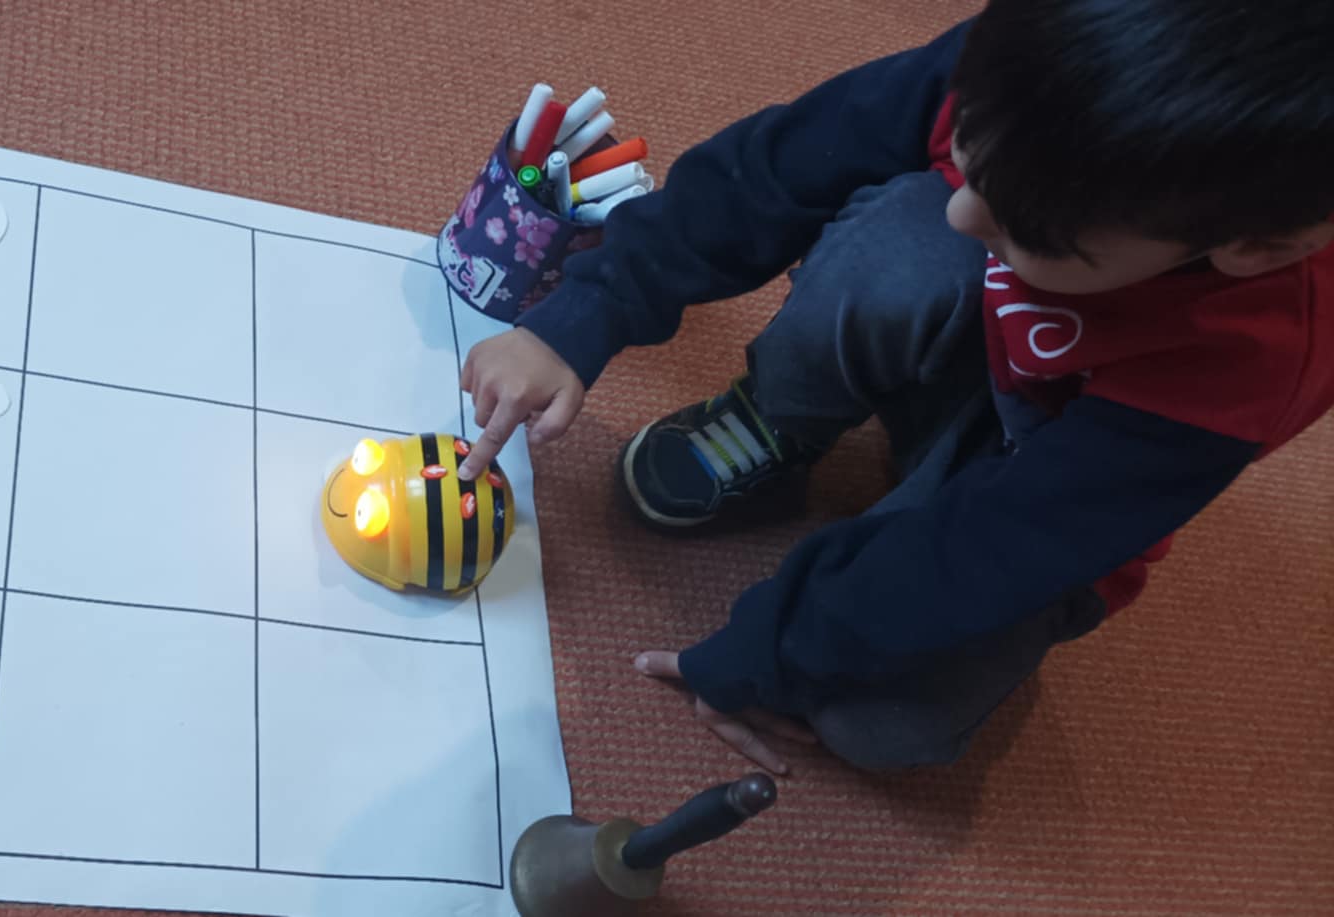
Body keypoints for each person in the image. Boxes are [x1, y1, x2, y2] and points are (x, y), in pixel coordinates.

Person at [454, 0, 1334, 774]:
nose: (961, 208)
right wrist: (582, 316)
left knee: (880, 724)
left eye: (1027, 227)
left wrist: (777, 650)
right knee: (903, 236)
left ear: (1255, 247)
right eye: (970, 148)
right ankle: (781, 417)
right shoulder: (1026, 64)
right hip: (984, 334)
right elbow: (773, 173)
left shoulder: (1256, 357)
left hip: (1049, 474)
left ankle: (906, 497)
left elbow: (1000, 547)